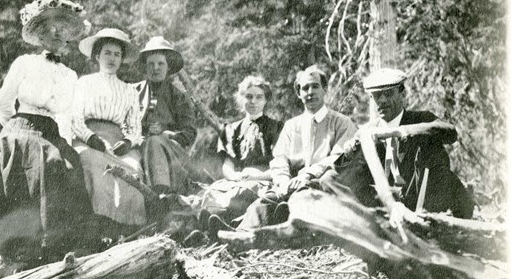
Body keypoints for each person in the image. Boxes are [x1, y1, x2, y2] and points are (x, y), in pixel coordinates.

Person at [0, 0, 93, 263]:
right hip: (22, 126)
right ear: (41, 32)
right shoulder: (25, 63)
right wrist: (15, 128)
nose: (58, 33)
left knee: (68, 162)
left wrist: (61, 141)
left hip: (51, 131)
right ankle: (23, 244)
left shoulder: (69, 75)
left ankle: (63, 243)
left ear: (68, 38)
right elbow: (3, 103)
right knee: (41, 161)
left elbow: (64, 115)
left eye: (63, 29)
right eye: (52, 27)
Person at [324, 67, 475, 218]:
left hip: (424, 207)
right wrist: (349, 155)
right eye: (376, 96)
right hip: (386, 208)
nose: (382, 100)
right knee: (329, 178)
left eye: (388, 94)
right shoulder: (367, 130)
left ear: (402, 95)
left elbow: (450, 132)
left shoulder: (421, 119)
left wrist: (397, 131)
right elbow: (346, 175)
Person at [238, 65, 356, 229]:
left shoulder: (342, 123)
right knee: (263, 203)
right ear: (299, 93)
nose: (310, 92)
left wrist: (307, 175)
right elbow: (280, 160)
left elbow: (338, 157)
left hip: (321, 185)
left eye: (315, 86)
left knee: (299, 199)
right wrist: (283, 182)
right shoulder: (291, 126)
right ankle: (237, 234)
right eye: (305, 88)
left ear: (325, 90)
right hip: (291, 185)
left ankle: (282, 220)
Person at [71, 27, 147, 234]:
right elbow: (75, 118)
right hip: (88, 137)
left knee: (132, 169)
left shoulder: (129, 91)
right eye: (107, 53)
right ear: (97, 56)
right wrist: (90, 137)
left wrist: (129, 142)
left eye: (117, 54)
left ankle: (124, 228)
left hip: (117, 140)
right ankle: (95, 226)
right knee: (92, 163)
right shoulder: (84, 83)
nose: (112, 58)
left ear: (122, 59)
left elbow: (134, 127)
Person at [199, 75, 282, 234]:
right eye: (248, 97)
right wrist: (235, 176)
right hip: (238, 179)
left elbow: (280, 166)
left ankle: (235, 228)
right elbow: (227, 165)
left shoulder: (276, 127)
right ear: (241, 99)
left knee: (245, 193)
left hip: (264, 180)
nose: (253, 101)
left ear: (266, 101)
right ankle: (211, 227)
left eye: (259, 97)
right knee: (212, 193)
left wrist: (257, 176)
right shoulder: (231, 130)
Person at [134, 36, 197, 195]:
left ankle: (162, 193)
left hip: (172, 154)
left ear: (168, 67)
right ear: (145, 67)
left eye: (160, 63)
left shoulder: (179, 97)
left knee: (155, 142)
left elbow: (189, 133)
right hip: (137, 145)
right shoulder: (132, 92)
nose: (156, 68)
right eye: (151, 64)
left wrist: (166, 133)